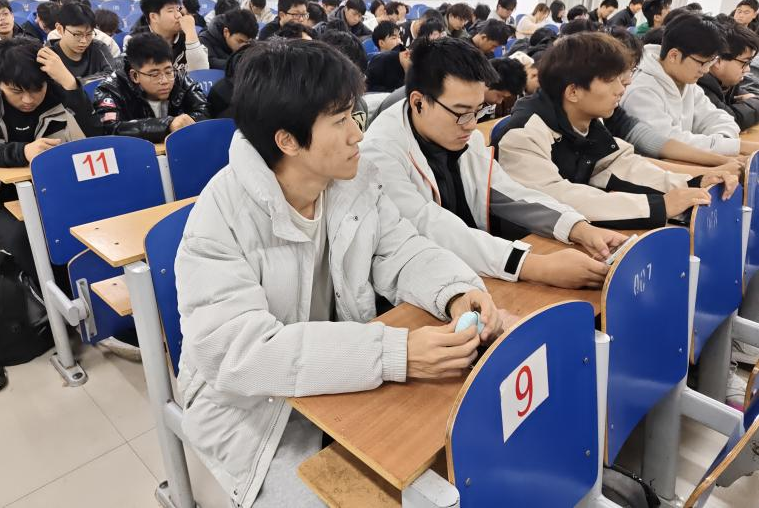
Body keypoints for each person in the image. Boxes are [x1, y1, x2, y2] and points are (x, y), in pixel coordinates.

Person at [176, 38, 503, 507]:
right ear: (288, 141)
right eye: (340, 121)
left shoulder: (352, 180)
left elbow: (402, 250)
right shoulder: (219, 218)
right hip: (258, 413)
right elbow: (240, 354)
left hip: (344, 375)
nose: (357, 135)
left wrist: (456, 291)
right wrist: (395, 354)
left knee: (463, 453)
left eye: (355, 116)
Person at [361, 36, 627, 289]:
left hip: (474, 272)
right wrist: (535, 266)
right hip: (419, 286)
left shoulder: (465, 138)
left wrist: (579, 228)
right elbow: (430, 226)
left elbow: (509, 194)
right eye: (462, 112)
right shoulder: (381, 153)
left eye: (479, 110)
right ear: (419, 102)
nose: (472, 124)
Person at [493, 32, 737, 229]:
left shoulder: (588, 121)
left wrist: (692, 182)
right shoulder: (523, 134)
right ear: (573, 92)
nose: (621, 89)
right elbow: (557, 196)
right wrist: (659, 206)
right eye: (611, 80)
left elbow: (622, 166)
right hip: (530, 243)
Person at [0, 37, 101, 267]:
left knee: (89, 223)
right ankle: (42, 289)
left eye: (37, 90)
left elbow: (96, 135)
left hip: (53, 188)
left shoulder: (55, 86)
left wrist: (71, 84)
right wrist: (23, 152)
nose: (28, 100)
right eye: (16, 91)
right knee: (25, 238)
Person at [620, 13, 759, 156]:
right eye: (702, 63)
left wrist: (722, 142)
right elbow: (669, 143)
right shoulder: (641, 90)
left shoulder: (685, 80)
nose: (706, 70)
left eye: (711, 61)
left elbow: (718, 118)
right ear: (674, 55)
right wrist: (726, 146)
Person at [94, 32, 209, 142]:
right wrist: (167, 125)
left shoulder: (179, 79)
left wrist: (186, 122)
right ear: (135, 76)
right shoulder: (111, 89)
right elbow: (110, 128)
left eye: (168, 71)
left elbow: (205, 110)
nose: (164, 81)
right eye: (154, 74)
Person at [125, 0, 209, 72]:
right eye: (171, 11)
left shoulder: (188, 35)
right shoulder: (134, 41)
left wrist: (191, 33)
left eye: (178, 9)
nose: (178, 15)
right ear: (154, 17)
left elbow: (201, 72)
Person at [698, 20, 759, 131]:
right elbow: (730, 119)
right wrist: (755, 102)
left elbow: (749, 96)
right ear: (717, 61)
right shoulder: (700, 85)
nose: (748, 69)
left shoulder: (727, 82)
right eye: (745, 63)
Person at [48, 1, 115, 79]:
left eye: (89, 34)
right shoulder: (49, 55)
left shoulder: (99, 48)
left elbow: (113, 75)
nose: (84, 41)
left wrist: (74, 83)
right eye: (77, 34)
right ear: (60, 29)